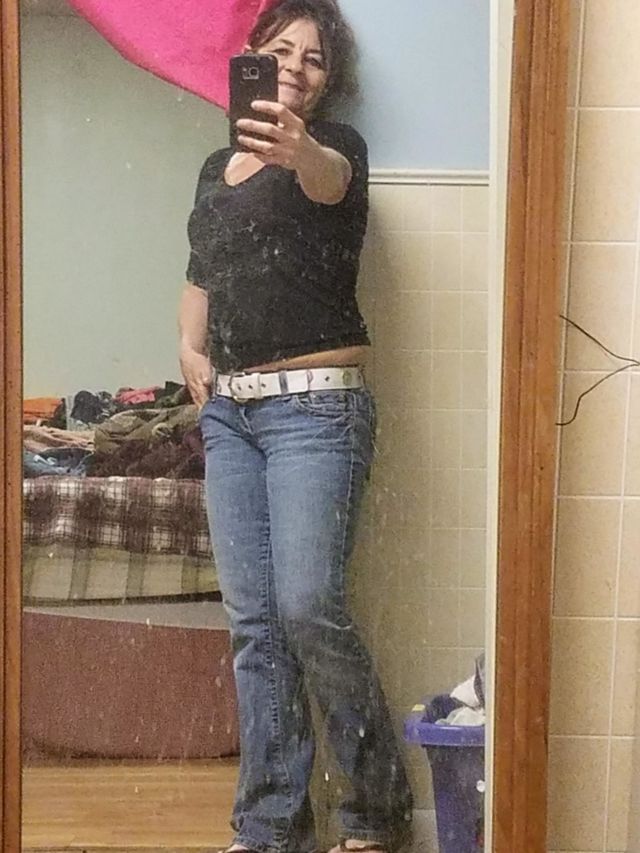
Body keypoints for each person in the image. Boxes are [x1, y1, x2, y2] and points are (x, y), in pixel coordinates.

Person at [178, 2, 412, 851]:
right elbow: (202, 268)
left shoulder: (337, 147)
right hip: (230, 417)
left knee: (309, 603)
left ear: (328, 79)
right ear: (251, 54)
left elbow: (327, 180)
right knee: (256, 625)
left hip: (317, 410)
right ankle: (272, 824)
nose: (296, 67)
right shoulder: (215, 166)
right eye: (280, 50)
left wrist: (297, 148)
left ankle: (377, 807)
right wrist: (188, 345)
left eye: (315, 58)